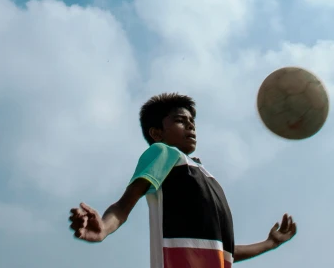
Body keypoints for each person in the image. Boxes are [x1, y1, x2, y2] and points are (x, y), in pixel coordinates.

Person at [69, 93, 297, 266]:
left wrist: (271, 243)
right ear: (157, 133)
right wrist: (104, 229)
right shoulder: (164, 153)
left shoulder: (206, 177)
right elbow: (123, 206)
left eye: (192, 121)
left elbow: (222, 252)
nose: (190, 124)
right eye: (180, 120)